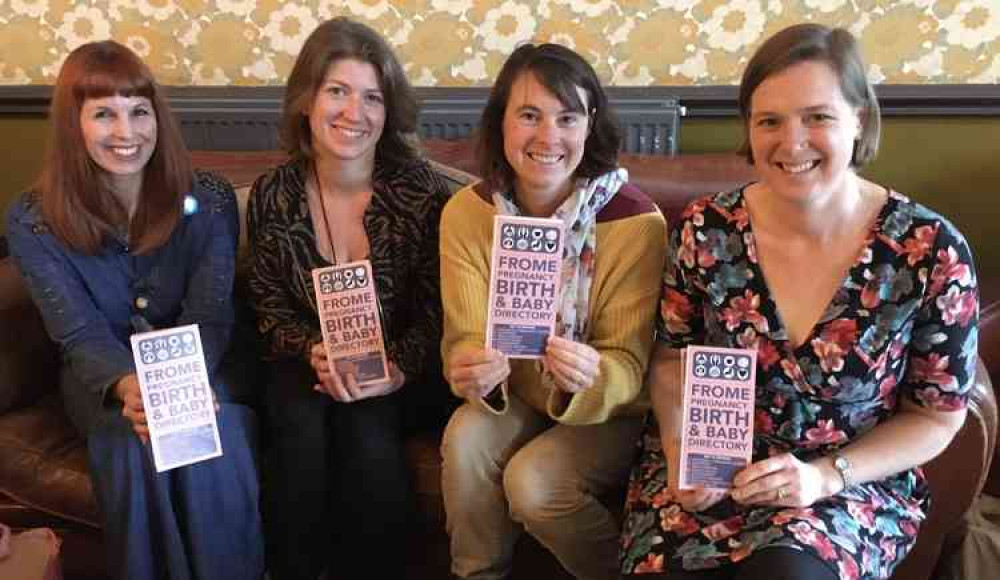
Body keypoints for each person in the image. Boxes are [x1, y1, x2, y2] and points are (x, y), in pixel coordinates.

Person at [620, 23, 979, 580]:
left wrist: (826, 476)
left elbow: (936, 415)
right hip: (714, 477)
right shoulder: (705, 228)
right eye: (770, 121)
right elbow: (672, 360)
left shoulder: (929, 250)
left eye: (817, 117)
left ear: (859, 118)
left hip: (844, 488)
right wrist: (680, 452)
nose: (791, 143)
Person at [5, 41, 264, 580]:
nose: (127, 132)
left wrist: (179, 387)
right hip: (103, 378)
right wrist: (130, 387)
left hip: (204, 362)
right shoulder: (32, 220)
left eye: (139, 111)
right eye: (104, 113)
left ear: (157, 118)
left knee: (205, 431)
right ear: (73, 125)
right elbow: (76, 332)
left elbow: (211, 312)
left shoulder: (209, 199)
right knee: (129, 442)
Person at [439, 43, 667, 580]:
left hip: (608, 410)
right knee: (465, 437)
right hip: (515, 391)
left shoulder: (636, 221)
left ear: (591, 126)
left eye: (567, 118)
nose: (548, 137)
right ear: (500, 125)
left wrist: (591, 374)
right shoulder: (468, 214)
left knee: (534, 484)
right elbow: (463, 337)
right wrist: (471, 365)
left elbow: (629, 367)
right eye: (529, 116)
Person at [245, 17, 453, 580]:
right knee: (298, 412)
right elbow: (268, 305)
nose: (353, 113)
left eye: (372, 98)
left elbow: (443, 310)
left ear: (389, 114)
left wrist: (397, 370)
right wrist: (311, 348)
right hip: (309, 363)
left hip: (406, 368)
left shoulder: (424, 193)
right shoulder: (275, 193)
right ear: (307, 100)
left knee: (366, 422)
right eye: (337, 91)